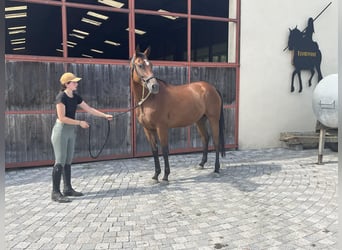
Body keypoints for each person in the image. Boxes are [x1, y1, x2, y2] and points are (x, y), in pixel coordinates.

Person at [51, 72, 113, 203]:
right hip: (61, 131)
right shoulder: (61, 97)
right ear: (66, 84)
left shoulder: (75, 96)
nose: (76, 84)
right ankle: (55, 193)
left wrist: (104, 115)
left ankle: (67, 188)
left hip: (70, 131)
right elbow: (62, 118)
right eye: (74, 82)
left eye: (76, 82)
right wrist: (79, 123)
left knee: (68, 160)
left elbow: (89, 108)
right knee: (60, 160)